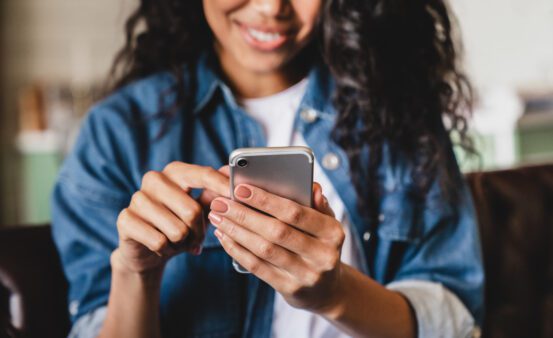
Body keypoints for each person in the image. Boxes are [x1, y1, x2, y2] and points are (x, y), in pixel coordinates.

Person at [51, 1, 484, 337]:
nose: (272, 8)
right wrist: (135, 272)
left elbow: (454, 320)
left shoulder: (397, 111)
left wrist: (334, 295)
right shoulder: (118, 133)